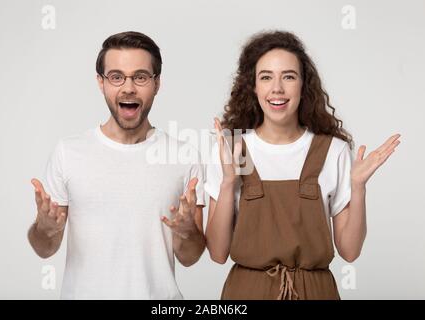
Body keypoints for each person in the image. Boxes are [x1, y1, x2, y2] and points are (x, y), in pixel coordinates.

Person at [204, 30, 400, 300]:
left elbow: (350, 251)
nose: (277, 88)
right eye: (266, 77)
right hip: (246, 292)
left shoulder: (333, 151)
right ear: (253, 86)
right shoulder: (231, 150)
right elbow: (217, 253)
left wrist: (358, 188)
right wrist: (228, 182)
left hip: (316, 292)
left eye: (288, 76)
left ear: (303, 84)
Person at [27, 31, 206, 299]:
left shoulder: (184, 155)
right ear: (101, 82)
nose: (128, 87)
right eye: (116, 76)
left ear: (157, 84)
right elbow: (45, 248)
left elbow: (190, 257)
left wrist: (187, 232)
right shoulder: (68, 152)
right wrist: (44, 228)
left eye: (141, 76)